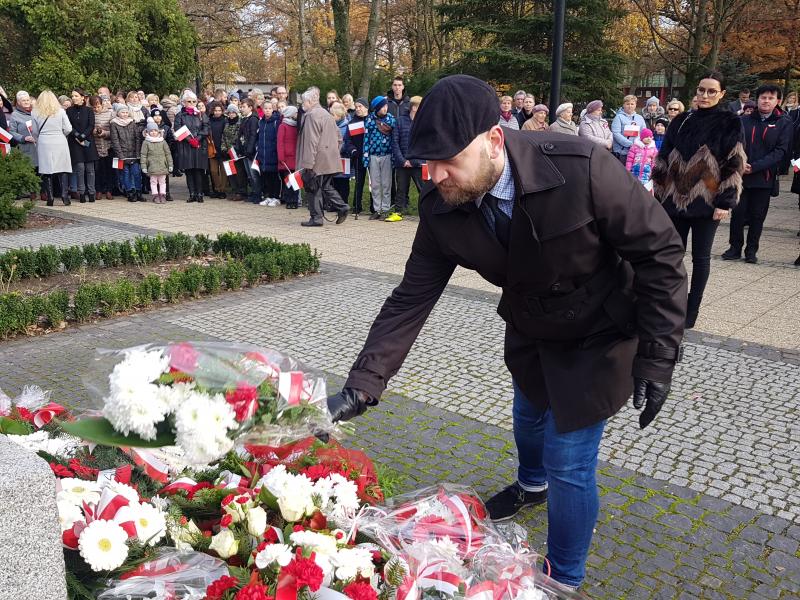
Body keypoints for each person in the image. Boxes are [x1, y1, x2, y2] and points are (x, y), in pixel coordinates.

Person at [325, 74, 687, 591]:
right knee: (527, 418)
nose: (433, 174)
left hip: (601, 334)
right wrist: (362, 385)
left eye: (447, 159)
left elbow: (661, 254)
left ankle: (561, 579)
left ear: (494, 140)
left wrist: (657, 357)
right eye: (426, 161)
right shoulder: (441, 205)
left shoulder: (579, 168)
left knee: (569, 462)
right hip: (530, 330)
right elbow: (411, 298)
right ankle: (529, 485)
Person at [653, 71, 745, 328]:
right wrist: (659, 193)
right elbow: (663, 156)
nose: (704, 95)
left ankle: (691, 313)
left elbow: (734, 163)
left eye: (711, 91)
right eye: (701, 90)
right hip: (674, 201)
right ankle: (671, 306)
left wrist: (725, 202)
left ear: (722, 94)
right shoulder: (681, 119)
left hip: (707, 200)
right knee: (672, 255)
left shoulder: (730, 122)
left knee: (700, 257)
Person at [722, 83, 792, 264]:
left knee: (757, 216)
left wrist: (755, 166)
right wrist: (740, 163)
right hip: (741, 175)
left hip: (763, 177)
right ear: (757, 99)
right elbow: (733, 144)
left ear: (778, 101)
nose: (766, 101)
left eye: (770, 98)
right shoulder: (744, 120)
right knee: (738, 214)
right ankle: (734, 247)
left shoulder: (783, 123)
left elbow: (781, 151)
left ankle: (752, 250)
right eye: (763, 97)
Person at [296, 86, 350, 227]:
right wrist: (333, 152)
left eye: (304, 102)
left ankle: (317, 218)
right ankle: (342, 207)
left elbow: (311, 141)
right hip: (329, 158)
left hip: (317, 159)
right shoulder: (326, 114)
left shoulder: (311, 116)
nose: (303, 105)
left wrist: (308, 164)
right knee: (325, 186)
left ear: (310, 101)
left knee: (313, 187)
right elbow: (339, 138)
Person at [32, 90, 73, 206]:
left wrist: (40, 137)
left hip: (44, 141)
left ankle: (50, 197)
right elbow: (68, 128)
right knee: (63, 168)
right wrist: (61, 134)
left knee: (47, 169)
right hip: (59, 140)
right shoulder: (60, 111)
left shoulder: (35, 112)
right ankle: (65, 196)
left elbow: (35, 131)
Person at [173, 90, 210, 203]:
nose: (192, 103)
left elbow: (206, 128)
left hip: (199, 145)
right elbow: (178, 129)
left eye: (194, 101)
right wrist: (190, 140)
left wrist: (197, 139)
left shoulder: (201, 114)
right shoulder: (180, 115)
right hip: (186, 146)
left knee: (198, 170)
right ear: (184, 102)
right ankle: (192, 193)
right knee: (189, 171)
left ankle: (199, 193)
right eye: (189, 101)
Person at [363, 95, 397, 220]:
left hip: (387, 155)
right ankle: (377, 209)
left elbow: (395, 139)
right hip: (373, 156)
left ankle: (385, 209)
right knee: (375, 184)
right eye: (382, 106)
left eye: (386, 105)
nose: (385, 108)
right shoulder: (370, 120)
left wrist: (394, 157)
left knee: (386, 184)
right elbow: (366, 139)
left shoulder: (391, 120)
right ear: (377, 108)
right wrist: (365, 157)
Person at [8, 90, 45, 200]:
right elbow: (12, 132)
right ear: (18, 102)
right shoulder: (15, 115)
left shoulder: (37, 112)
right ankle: (32, 192)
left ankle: (44, 192)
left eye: (28, 100)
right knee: (31, 169)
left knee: (43, 169)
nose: (26, 102)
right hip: (26, 147)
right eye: (23, 100)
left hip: (40, 146)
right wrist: (23, 138)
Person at [392, 95, 424, 218]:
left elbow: (425, 144)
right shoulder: (400, 121)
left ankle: (424, 214)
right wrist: (403, 160)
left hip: (418, 163)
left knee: (423, 190)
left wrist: (414, 161)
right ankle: (398, 212)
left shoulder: (424, 123)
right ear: (414, 107)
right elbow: (395, 142)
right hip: (402, 163)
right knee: (401, 190)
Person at [66, 88, 99, 203]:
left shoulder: (89, 110)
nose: (73, 98)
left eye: (76, 96)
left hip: (87, 141)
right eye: (72, 96)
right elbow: (68, 125)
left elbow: (91, 125)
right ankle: (81, 192)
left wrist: (83, 136)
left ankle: (91, 192)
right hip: (75, 142)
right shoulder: (69, 111)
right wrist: (77, 135)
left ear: (82, 97)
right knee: (80, 168)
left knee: (90, 169)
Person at [110, 104, 144, 202]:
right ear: (118, 113)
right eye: (122, 112)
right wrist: (120, 155)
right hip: (122, 154)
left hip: (133, 154)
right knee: (125, 174)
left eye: (126, 112)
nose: (125, 114)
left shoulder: (132, 123)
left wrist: (137, 153)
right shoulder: (114, 124)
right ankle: (130, 192)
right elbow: (115, 141)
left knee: (136, 173)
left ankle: (138, 191)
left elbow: (137, 138)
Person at [140, 120, 173, 203]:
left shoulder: (163, 141)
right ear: (147, 132)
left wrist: (170, 165)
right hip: (152, 166)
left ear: (158, 131)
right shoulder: (146, 142)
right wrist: (144, 166)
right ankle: (155, 195)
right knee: (153, 181)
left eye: (155, 130)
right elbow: (143, 155)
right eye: (151, 131)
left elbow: (168, 154)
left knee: (162, 181)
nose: (153, 132)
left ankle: (162, 195)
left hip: (162, 165)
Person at [331, 102, 355, 213]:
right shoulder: (330, 126)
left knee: (343, 182)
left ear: (339, 115)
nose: (331, 117)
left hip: (344, 158)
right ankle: (335, 204)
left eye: (333, 115)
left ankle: (344, 203)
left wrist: (339, 149)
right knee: (334, 181)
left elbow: (346, 142)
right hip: (332, 158)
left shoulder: (347, 126)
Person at [256, 102, 282, 205]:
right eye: (265, 108)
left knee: (274, 177)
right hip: (263, 154)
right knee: (266, 177)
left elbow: (277, 139)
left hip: (273, 153)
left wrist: (275, 151)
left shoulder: (276, 122)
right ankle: (269, 196)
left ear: (273, 109)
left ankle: (276, 197)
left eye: (269, 108)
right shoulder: (261, 122)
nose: (267, 110)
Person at [90, 95, 114, 200]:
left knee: (109, 169)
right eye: (94, 107)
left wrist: (104, 133)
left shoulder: (110, 113)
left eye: (98, 106)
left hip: (108, 146)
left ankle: (109, 190)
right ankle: (98, 190)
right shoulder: (91, 114)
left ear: (101, 104)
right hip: (96, 146)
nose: (96, 109)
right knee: (98, 170)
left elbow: (114, 131)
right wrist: (94, 131)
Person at [237, 98, 261, 203]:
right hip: (244, 151)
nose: (241, 109)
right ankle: (253, 192)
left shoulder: (253, 119)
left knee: (254, 174)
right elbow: (241, 135)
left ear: (250, 107)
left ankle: (257, 194)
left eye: (243, 107)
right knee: (249, 174)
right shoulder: (244, 119)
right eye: (241, 107)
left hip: (251, 152)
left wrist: (249, 150)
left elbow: (253, 135)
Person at [221, 103, 245, 201]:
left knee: (239, 173)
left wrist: (234, 148)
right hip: (227, 152)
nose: (231, 114)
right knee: (230, 172)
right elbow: (224, 137)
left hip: (236, 152)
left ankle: (240, 192)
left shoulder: (240, 123)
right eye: (230, 113)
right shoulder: (226, 123)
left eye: (233, 113)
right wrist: (224, 148)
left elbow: (239, 137)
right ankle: (234, 190)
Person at [611, 95, 646, 163]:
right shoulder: (618, 117)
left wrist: (640, 144)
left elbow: (643, 132)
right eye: (627, 104)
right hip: (622, 153)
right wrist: (630, 144)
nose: (630, 106)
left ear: (635, 105)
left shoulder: (640, 118)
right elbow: (616, 133)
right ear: (624, 105)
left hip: (637, 152)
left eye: (632, 104)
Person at [349, 98, 370, 215]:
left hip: (371, 156)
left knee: (373, 183)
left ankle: (374, 207)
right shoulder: (352, 123)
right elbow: (348, 140)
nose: (357, 109)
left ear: (366, 107)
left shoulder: (372, 120)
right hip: (358, 156)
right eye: (356, 107)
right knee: (359, 182)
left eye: (360, 106)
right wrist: (352, 149)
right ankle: (357, 206)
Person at [277, 105, 300, 209]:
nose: (297, 115)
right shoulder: (283, 126)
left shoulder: (296, 125)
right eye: (295, 113)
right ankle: (289, 200)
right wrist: (281, 157)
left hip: (296, 157)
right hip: (286, 158)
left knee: (295, 180)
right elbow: (280, 142)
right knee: (288, 180)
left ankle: (295, 201)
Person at [206, 101, 228, 198]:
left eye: (219, 110)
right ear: (212, 111)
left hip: (223, 149)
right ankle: (217, 188)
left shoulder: (225, 121)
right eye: (216, 110)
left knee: (223, 171)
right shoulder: (209, 121)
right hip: (212, 149)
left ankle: (222, 191)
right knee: (213, 171)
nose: (217, 112)